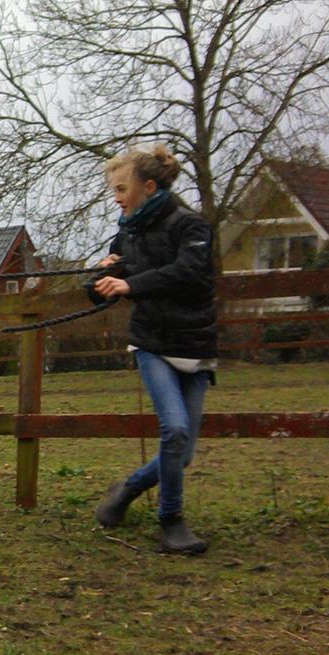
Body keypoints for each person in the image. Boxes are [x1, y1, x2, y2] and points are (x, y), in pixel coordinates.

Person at [90, 145, 217, 554]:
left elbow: (188, 272)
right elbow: (102, 292)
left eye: (122, 187)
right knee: (175, 431)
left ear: (148, 186)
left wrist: (131, 283)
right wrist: (102, 277)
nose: (116, 196)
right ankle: (171, 521)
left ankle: (127, 489)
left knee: (182, 454)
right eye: (114, 189)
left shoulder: (191, 227)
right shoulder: (127, 233)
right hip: (151, 342)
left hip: (195, 345)